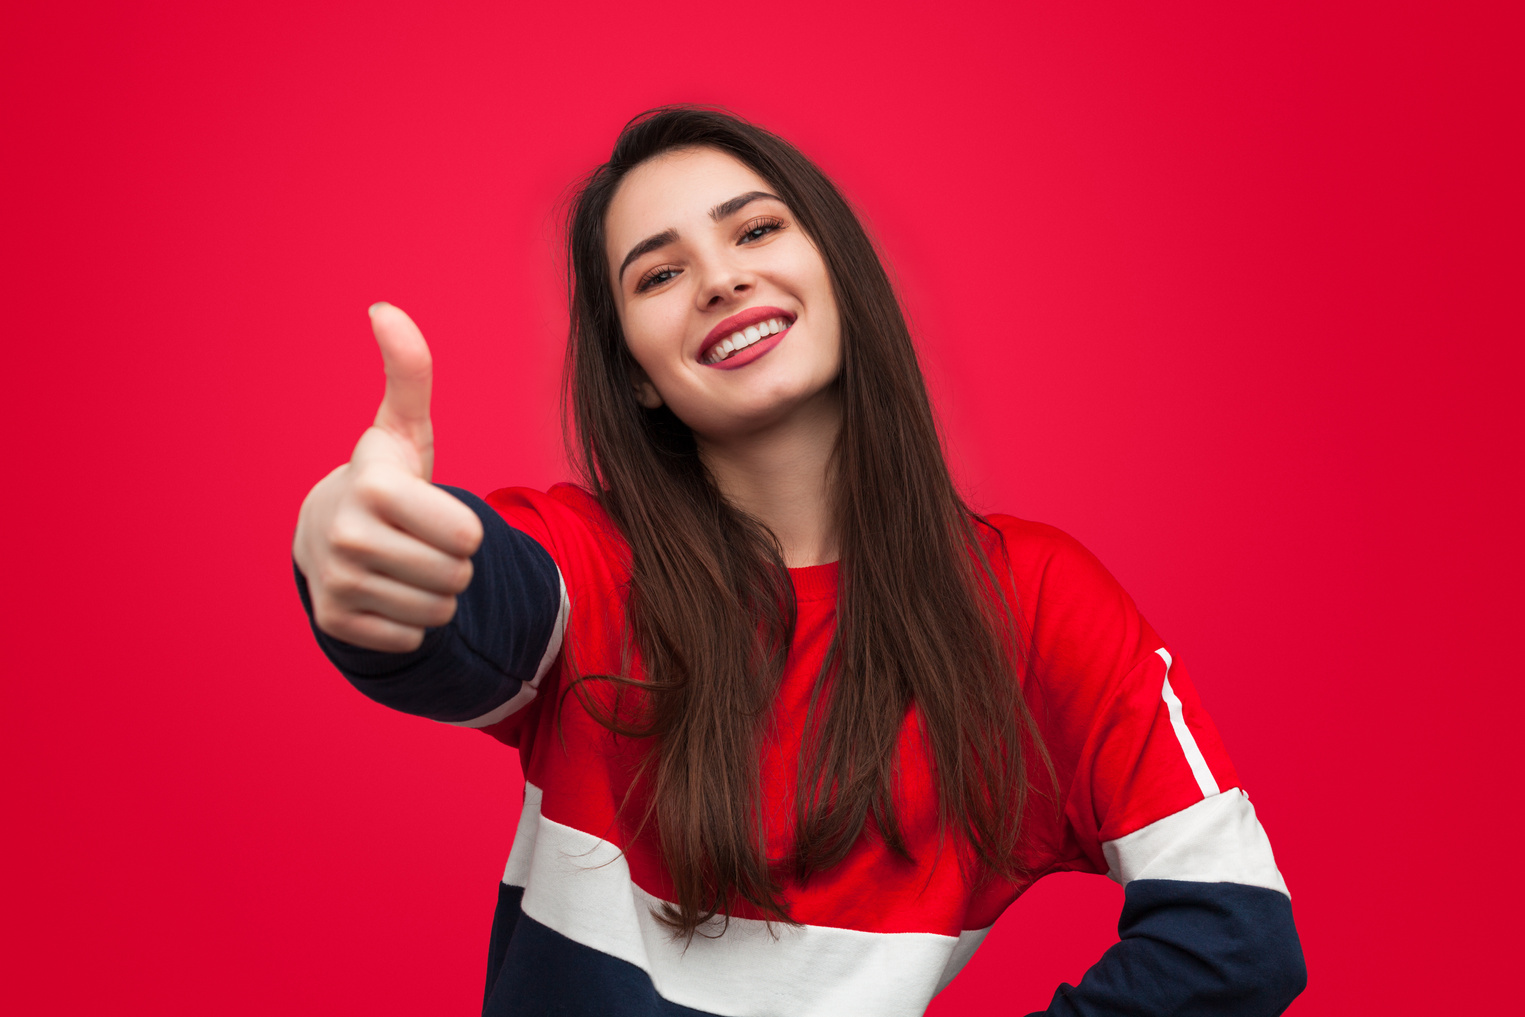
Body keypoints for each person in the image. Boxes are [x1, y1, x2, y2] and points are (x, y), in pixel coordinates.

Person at [292, 107, 1306, 1016]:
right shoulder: (591, 568)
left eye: (756, 229)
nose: (721, 278)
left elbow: (1236, 937)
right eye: (657, 273)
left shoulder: (1035, 601)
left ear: (838, 270)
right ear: (636, 377)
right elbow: (470, 598)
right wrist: (350, 537)